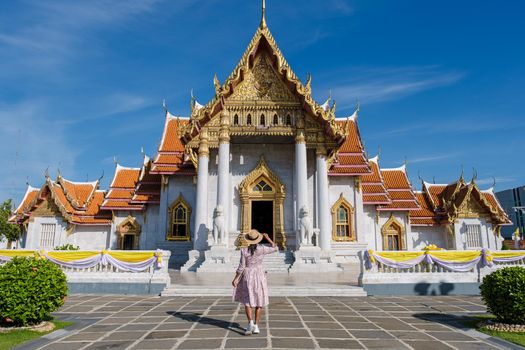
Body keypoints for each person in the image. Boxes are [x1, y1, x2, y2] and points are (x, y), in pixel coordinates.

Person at [232, 229, 278, 335]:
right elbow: (275, 248)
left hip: (248, 275)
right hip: (259, 275)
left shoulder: (244, 250)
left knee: (247, 300)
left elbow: (241, 267)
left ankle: (250, 323)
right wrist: (268, 238)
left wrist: (236, 278)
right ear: (258, 239)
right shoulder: (262, 249)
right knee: (259, 300)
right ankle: (256, 326)